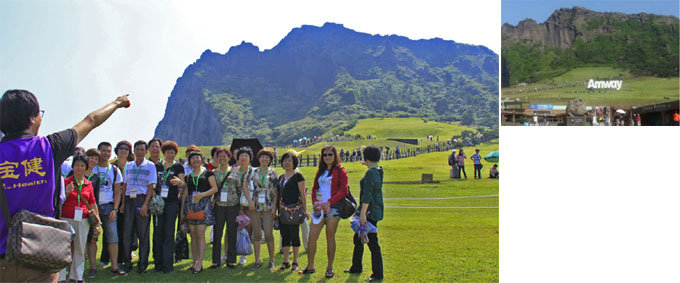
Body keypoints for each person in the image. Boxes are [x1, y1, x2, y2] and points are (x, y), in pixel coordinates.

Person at [0, 90, 129, 282]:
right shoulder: (51, 147)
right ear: (32, 119)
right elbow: (91, 120)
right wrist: (118, 102)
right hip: (39, 260)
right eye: (39, 114)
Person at [301, 145, 349, 278]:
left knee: (330, 237)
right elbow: (315, 188)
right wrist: (315, 202)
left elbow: (343, 190)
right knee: (312, 237)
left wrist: (330, 202)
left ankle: (330, 267)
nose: (327, 157)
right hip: (319, 209)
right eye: (325, 155)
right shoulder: (320, 171)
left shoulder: (341, 171)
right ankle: (310, 266)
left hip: (333, 208)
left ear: (335, 156)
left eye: (330, 154)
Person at [344, 145, 383, 281]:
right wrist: (367, 161)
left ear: (366, 158)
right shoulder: (378, 170)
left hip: (369, 211)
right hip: (376, 209)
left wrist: (363, 214)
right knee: (358, 239)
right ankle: (356, 267)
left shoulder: (370, 174)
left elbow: (367, 195)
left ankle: (377, 274)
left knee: (372, 242)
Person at [59, 155, 99, 282]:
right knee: (63, 248)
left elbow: (92, 202)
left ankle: (77, 276)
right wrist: (66, 193)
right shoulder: (66, 182)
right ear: (73, 166)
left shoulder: (88, 184)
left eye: (82, 165)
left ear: (86, 168)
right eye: (77, 165)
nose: (79, 168)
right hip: (66, 218)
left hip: (83, 219)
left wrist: (97, 220)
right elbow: (57, 201)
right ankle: (60, 277)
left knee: (80, 248)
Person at [121, 140, 157, 274]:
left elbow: (150, 186)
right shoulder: (128, 166)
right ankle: (127, 262)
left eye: (142, 149)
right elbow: (124, 185)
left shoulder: (150, 166)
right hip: (130, 200)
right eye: (138, 149)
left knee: (143, 234)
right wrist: (123, 204)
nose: (140, 152)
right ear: (134, 151)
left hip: (142, 199)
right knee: (127, 233)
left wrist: (145, 205)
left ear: (146, 151)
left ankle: (142, 263)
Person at [93, 142, 126, 276]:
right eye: (103, 151)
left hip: (109, 206)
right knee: (92, 238)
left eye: (109, 151)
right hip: (92, 207)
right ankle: (92, 268)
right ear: (98, 151)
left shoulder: (114, 170)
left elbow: (117, 191)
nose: (106, 154)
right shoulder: (92, 168)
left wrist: (115, 208)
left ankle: (114, 266)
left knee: (113, 237)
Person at [181, 150, 217, 274]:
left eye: (198, 158)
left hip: (204, 205)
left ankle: (200, 262)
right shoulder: (189, 176)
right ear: (189, 161)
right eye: (193, 158)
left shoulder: (208, 173)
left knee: (200, 235)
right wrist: (182, 211)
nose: (195, 160)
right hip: (191, 206)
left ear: (201, 159)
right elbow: (185, 193)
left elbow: (214, 188)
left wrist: (202, 195)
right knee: (193, 235)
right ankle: (194, 261)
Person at [152, 140, 185, 273]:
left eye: (172, 153)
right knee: (158, 232)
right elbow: (152, 183)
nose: (170, 155)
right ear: (163, 153)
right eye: (167, 152)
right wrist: (154, 193)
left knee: (168, 232)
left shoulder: (178, 167)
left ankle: (167, 264)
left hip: (172, 203)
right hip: (159, 203)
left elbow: (183, 184)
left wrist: (179, 182)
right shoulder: (157, 166)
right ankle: (158, 263)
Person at [276, 152, 307, 272]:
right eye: (285, 160)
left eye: (289, 160)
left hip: (294, 211)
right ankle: (285, 261)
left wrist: (305, 210)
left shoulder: (298, 176)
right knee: (284, 235)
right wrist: (275, 210)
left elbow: (303, 195)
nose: (287, 163)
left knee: (294, 235)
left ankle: (295, 261)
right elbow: (278, 195)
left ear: (294, 162)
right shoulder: (281, 177)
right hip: (282, 211)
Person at [248, 149, 279, 270]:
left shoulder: (273, 172)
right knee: (256, 233)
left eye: (267, 157)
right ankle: (257, 260)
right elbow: (246, 186)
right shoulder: (252, 171)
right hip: (255, 206)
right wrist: (250, 202)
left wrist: (274, 208)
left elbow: (276, 191)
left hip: (268, 206)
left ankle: (271, 260)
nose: (264, 159)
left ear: (270, 160)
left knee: (268, 233)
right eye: (262, 157)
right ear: (259, 158)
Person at [210, 147, 240, 269]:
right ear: (216, 158)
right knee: (217, 233)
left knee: (232, 232)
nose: (222, 158)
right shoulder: (214, 173)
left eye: (224, 156)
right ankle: (216, 260)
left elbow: (239, 189)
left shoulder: (236, 172)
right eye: (219, 156)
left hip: (233, 206)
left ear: (229, 158)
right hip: (219, 206)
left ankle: (231, 260)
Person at [107, 140, 133, 268]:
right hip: (113, 201)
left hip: (128, 201)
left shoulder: (131, 166)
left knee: (125, 229)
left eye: (126, 149)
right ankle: (107, 258)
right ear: (117, 151)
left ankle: (124, 256)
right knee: (111, 230)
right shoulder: (111, 166)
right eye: (121, 148)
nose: (123, 151)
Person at [81, 149, 103, 279]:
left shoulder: (96, 178)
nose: (93, 160)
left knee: (92, 239)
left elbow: (96, 198)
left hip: (90, 213)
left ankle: (93, 267)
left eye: (96, 159)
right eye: (91, 157)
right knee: (78, 241)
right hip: (77, 212)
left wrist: (97, 216)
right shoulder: (76, 172)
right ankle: (77, 268)